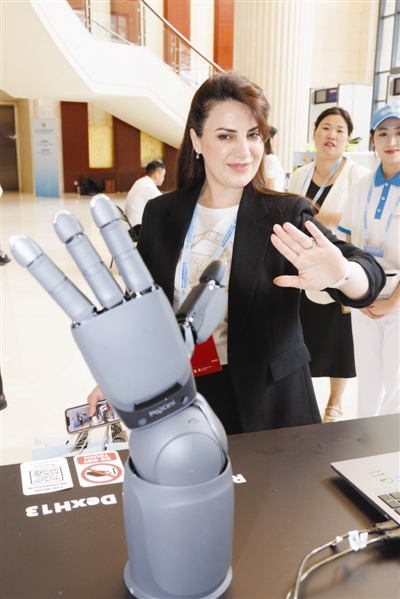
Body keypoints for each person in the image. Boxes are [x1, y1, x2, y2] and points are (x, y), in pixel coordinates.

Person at [88, 72, 384, 434]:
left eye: (253, 135)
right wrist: (119, 373)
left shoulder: (283, 214)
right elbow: (142, 308)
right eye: (226, 136)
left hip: (271, 405)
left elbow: (369, 275)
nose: (244, 151)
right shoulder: (161, 213)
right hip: (185, 396)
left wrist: (341, 275)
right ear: (196, 140)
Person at [289, 107, 370, 422]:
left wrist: (317, 217)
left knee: (339, 337)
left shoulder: (357, 175)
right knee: (303, 332)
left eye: (339, 130)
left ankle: (335, 402)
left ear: (348, 139)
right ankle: (303, 397)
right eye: (325, 127)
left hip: (340, 263)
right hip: (303, 263)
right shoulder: (300, 174)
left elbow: (357, 220)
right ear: (314, 133)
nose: (331, 135)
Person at [338, 101, 400, 417]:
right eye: (383, 133)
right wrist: (355, 293)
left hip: (399, 302)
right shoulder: (361, 186)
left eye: (399, 132)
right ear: (373, 138)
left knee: (396, 386)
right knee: (368, 382)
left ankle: (390, 445)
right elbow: (349, 241)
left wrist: (393, 302)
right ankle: (364, 442)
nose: (392, 141)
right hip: (365, 296)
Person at [124, 161, 166, 236]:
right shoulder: (147, 186)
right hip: (136, 229)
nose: (163, 178)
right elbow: (165, 203)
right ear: (156, 174)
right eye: (163, 175)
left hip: (132, 227)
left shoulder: (141, 182)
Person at [264, 126, 285, 191]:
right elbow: (270, 186)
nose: (277, 139)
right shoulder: (271, 159)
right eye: (276, 136)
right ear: (271, 139)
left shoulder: (264, 158)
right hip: (274, 195)